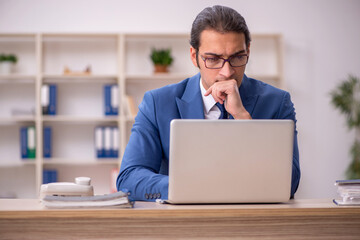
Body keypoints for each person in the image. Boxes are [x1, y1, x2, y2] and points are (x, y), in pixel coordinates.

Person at [117, 5, 300, 201]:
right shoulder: (157, 103)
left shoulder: (277, 102)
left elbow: (289, 183)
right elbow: (129, 178)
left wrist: (245, 120)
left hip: (253, 224)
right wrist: (193, 186)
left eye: (238, 57)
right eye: (213, 59)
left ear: (248, 51)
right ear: (194, 56)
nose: (227, 72)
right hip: (183, 225)